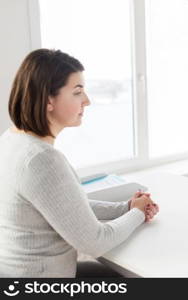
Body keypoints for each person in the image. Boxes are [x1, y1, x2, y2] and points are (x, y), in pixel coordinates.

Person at [0, 49, 159, 277]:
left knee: (102, 272)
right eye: (77, 92)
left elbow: (66, 205)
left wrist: (124, 208)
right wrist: (138, 214)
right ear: (48, 101)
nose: (87, 101)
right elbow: (95, 242)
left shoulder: (12, 140)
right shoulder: (41, 160)